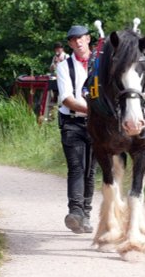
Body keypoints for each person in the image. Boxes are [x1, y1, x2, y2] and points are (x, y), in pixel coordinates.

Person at [56, 25, 96, 234]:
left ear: (88, 39)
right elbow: (67, 99)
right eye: (73, 40)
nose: (78, 42)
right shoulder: (64, 66)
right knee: (76, 167)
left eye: (81, 38)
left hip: (96, 125)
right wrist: (95, 111)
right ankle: (75, 213)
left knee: (90, 170)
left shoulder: (101, 64)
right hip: (72, 122)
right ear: (70, 44)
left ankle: (85, 216)